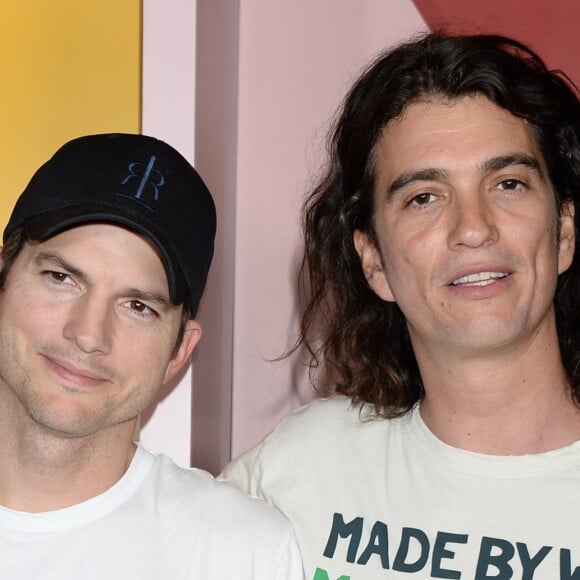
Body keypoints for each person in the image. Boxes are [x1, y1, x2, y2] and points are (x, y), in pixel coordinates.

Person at [221, 31, 580, 580]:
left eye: (508, 183)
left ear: (564, 231)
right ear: (374, 262)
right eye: (424, 198)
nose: (473, 228)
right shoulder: (301, 470)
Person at [0, 133, 303, 579]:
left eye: (138, 307)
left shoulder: (242, 555)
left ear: (180, 351)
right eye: (61, 277)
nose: (87, 334)